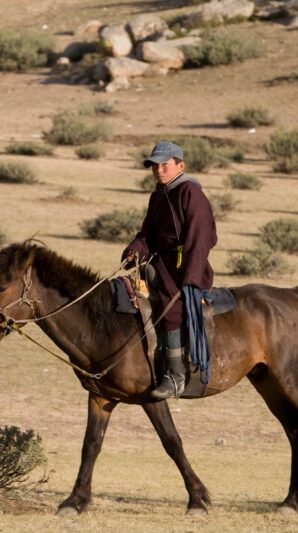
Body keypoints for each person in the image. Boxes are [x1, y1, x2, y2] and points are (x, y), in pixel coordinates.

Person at [123, 142, 217, 400]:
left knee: (170, 304)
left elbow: (201, 239)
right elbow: (148, 234)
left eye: (165, 165)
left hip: (186, 266)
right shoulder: (158, 195)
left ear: (180, 165)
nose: (159, 170)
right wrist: (135, 250)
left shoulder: (190, 192)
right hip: (161, 263)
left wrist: (190, 279)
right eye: (155, 166)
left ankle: (175, 377)